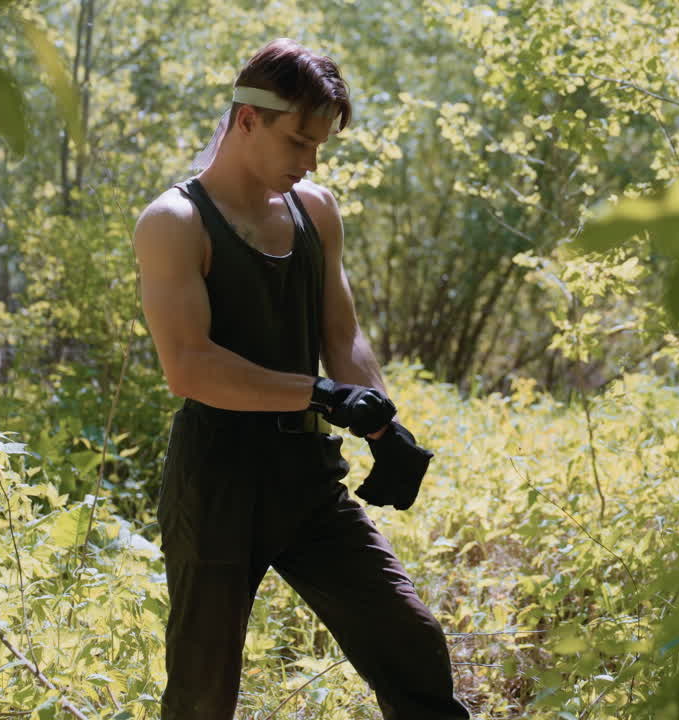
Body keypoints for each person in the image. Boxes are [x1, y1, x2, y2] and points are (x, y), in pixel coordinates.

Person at [131, 37, 472, 719]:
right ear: (247, 119)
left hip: (306, 482)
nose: (310, 161)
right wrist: (318, 394)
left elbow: (341, 337)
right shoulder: (174, 223)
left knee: (410, 643)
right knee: (202, 694)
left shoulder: (315, 209)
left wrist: (384, 424)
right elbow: (189, 367)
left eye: (319, 146)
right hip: (217, 487)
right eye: (298, 141)